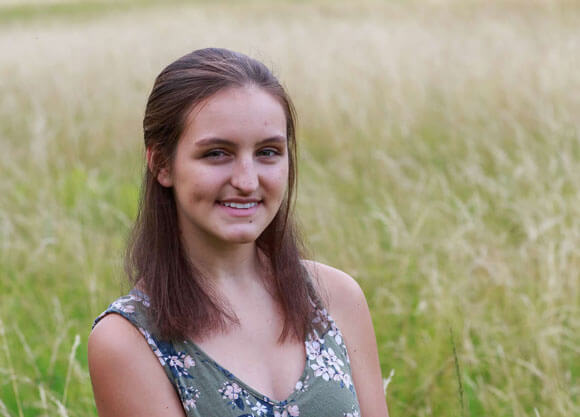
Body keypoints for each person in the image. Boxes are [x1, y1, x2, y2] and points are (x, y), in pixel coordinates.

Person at [88, 48, 389, 417]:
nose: (247, 181)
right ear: (162, 164)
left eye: (268, 152)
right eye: (217, 153)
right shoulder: (129, 342)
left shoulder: (336, 299)